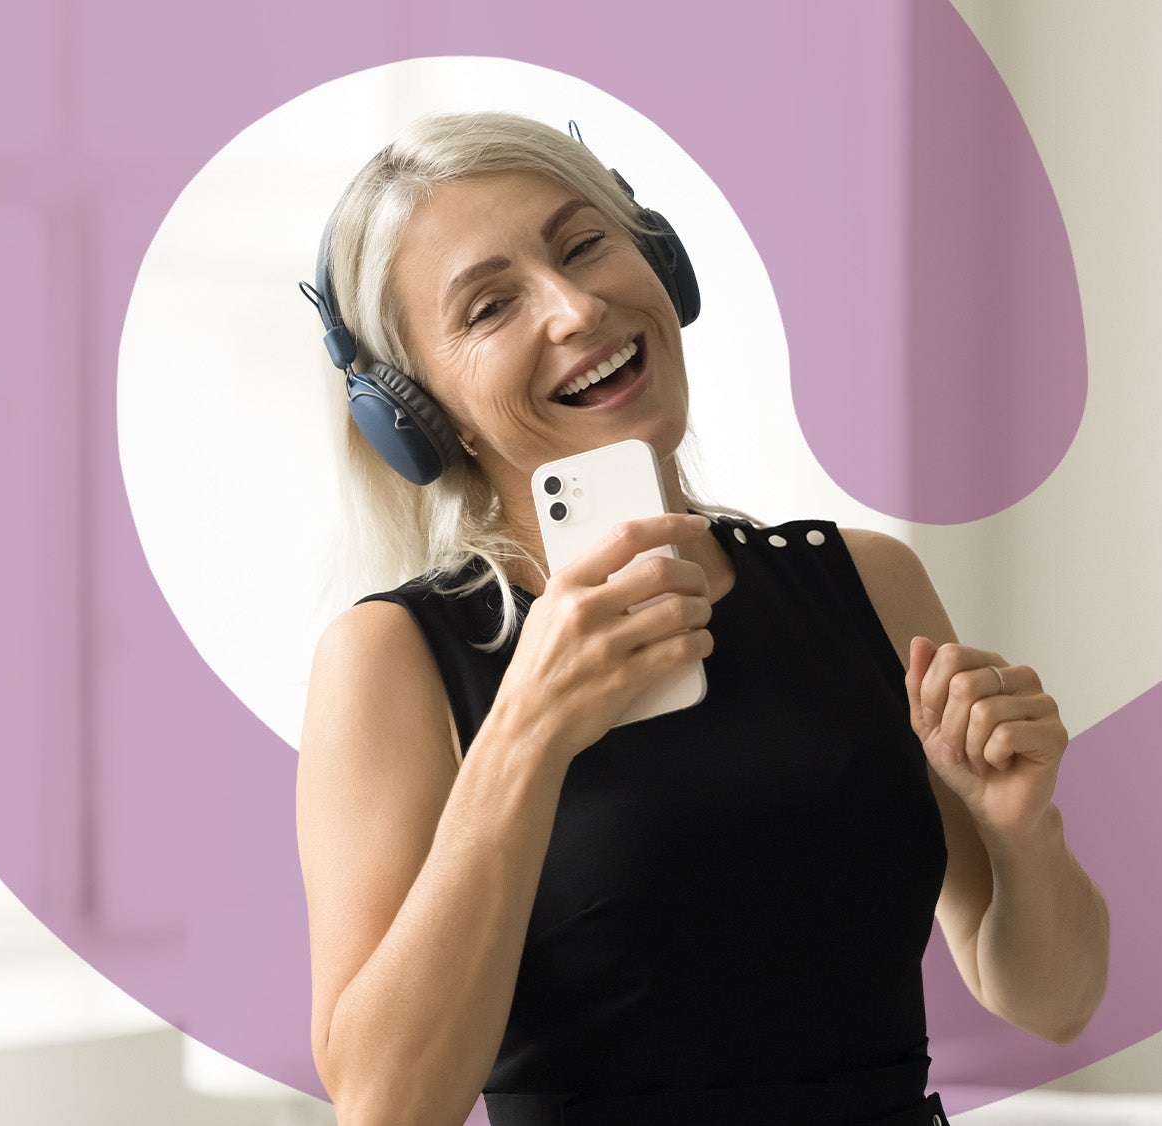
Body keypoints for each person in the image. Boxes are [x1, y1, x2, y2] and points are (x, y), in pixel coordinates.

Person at [295, 111, 1108, 1126]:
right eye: (491, 304)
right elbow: (384, 1107)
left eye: (583, 243)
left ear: (659, 261)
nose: (574, 305)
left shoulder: (864, 581)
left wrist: (1021, 835)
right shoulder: (394, 658)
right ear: (422, 413)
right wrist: (528, 731)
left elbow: (1054, 999)